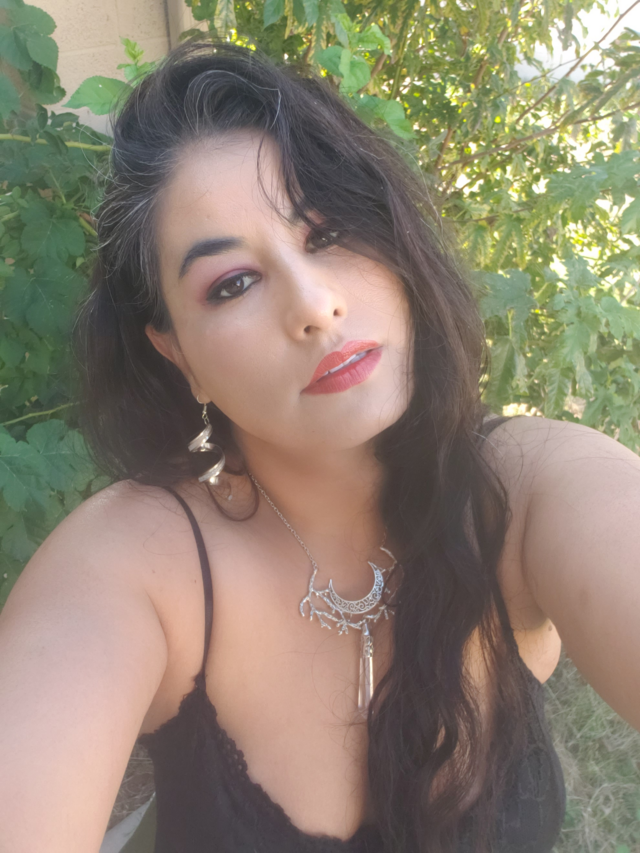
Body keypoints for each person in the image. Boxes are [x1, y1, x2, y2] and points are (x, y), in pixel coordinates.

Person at [0, 40, 639, 853]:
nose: (314, 305)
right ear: (177, 352)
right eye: (232, 283)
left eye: (330, 232)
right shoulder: (134, 567)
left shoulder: (525, 493)